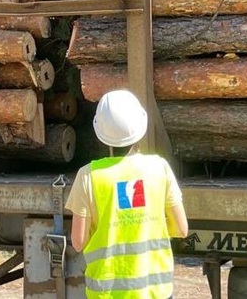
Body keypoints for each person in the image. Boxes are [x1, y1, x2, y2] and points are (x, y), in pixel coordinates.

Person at [65, 89, 189, 299]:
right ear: (141, 126)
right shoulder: (160, 168)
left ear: (100, 132)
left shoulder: (88, 175)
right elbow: (181, 229)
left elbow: (78, 242)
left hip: (107, 293)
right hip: (156, 292)